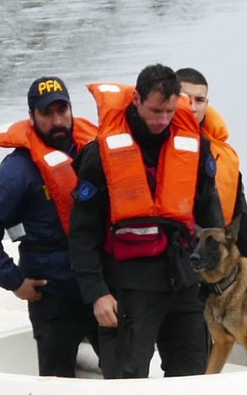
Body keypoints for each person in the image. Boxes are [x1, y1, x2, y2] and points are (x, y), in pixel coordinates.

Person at [69, 64, 226, 379]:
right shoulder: (100, 155)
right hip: (128, 283)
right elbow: (82, 233)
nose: (162, 120)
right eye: (155, 111)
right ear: (137, 100)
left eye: (169, 111)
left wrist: (221, 278)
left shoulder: (195, 147)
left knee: (194, 373)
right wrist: (97, 293)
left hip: (183, 278)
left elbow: (211, 218)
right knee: (127, 377)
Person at [0, 76, 100, 376]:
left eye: (62, 110)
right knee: (56, 380)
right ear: (32, 117)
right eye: (46, 113)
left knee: (122, 371)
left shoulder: (92, 151)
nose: (56, 120)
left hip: (98, 285)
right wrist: (13, 281)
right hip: (52, 295)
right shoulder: (17, 171)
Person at [175, 67, 247, 262]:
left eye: (199, 100)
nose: (192, 107)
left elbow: (242, 222)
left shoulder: (222, 154)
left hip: (216, 259)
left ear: (206, 104)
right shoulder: (150, 147)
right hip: (175, 261)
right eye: (185, 97)